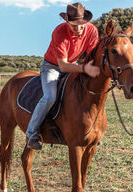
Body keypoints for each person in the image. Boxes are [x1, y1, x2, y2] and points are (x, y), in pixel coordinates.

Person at [26, 2, 100, 150]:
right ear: (66, 22)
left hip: (74, 65)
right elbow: (63, 66)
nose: (78, 28)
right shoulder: (59, 32)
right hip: (52, 67)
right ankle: (31, 133)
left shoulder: (91, 31)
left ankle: (90, 132)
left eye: (81, 25)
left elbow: (93, 57)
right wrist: (84, 68)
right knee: (50, 97)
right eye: (74, 25)